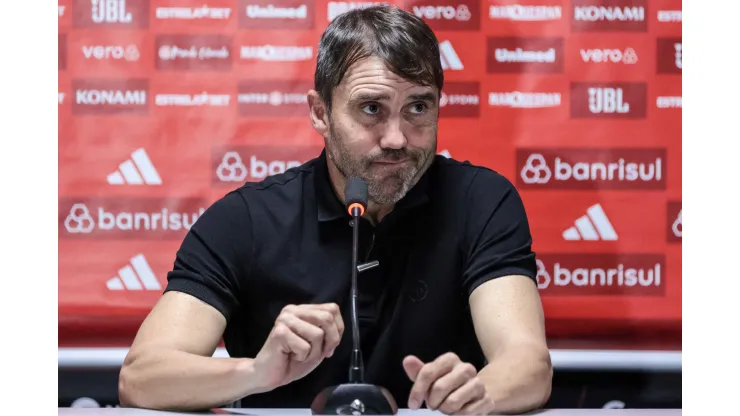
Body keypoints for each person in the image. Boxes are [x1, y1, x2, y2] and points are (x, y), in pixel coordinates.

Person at [118, 5, 552, 415]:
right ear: (320, 112)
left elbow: (528, 364)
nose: (397, 138)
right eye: (371, 109)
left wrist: (478, 393)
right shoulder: (247, 219)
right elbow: (142, 376)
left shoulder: (481, 200)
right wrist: (255, 372)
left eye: (418, 107)